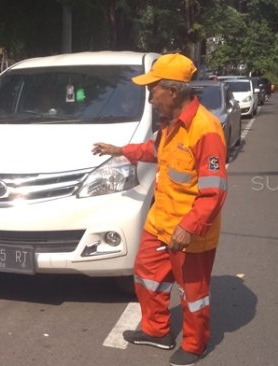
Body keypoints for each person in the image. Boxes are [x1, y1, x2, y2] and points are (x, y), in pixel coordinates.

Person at [91, 53, 227, 366]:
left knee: (193, 293)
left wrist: (188, 226)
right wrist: (120, 150)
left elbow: (214, 191)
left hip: (190, 231)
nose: (150, 96)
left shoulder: (205, 129)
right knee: (146, 275)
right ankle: (156, 331)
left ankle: (195, 344)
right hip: (160, 221)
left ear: (174, 91)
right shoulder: (170, 125)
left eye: (154, 89)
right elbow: (155, 151)